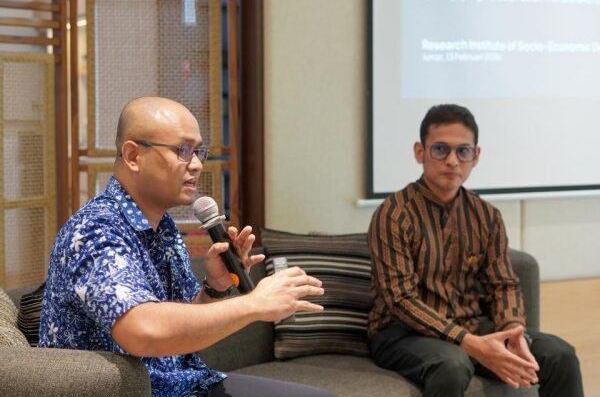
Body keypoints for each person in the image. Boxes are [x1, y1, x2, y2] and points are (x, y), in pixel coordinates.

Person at [39, 97, 334, 397]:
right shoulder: (96, 230)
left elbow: (182, 332)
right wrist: (255, 303)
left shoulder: (163, 227)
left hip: (181, 385)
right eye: (182, 150)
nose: (196, 164)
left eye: (198, 152)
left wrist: (215, 288)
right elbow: (142, 332)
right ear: (133, 155)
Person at [367, 104, 584, 397]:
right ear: (420, 152)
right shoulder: (394, 213)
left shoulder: (486, 215)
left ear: (476, 156)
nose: (452, 161)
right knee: (452, 364)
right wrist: (469, 342)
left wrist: (514, 333)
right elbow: (400, 299)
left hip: (471, 326)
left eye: (463, 151)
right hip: (401, 333)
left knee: (559, 355)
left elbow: (503, 285)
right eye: (440, 149)